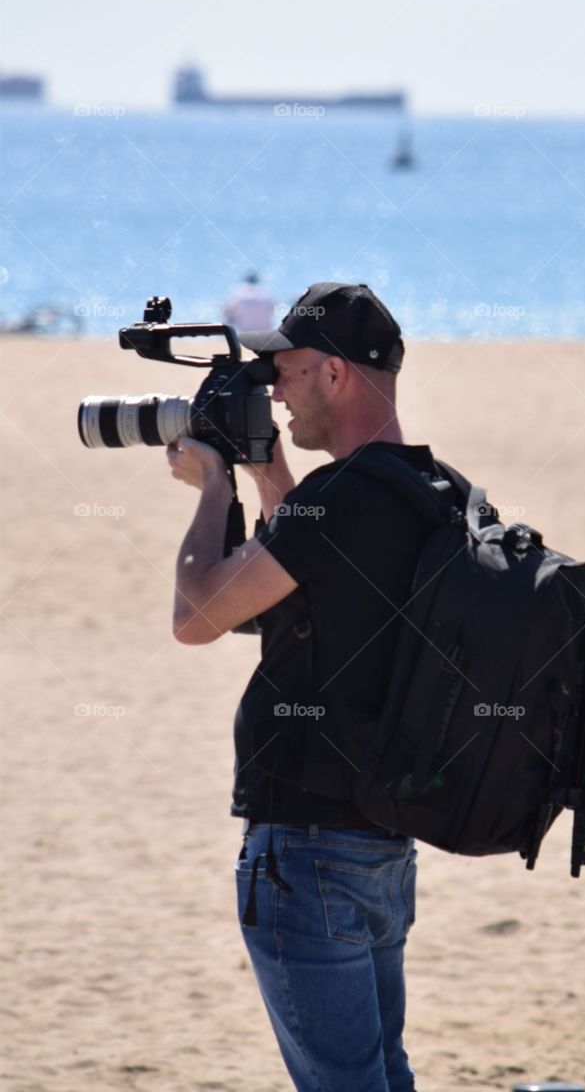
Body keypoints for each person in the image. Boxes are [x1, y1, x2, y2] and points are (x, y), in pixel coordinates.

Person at [166, 282, 443, 1092]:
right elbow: (320, 580)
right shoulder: (431, 492)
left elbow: (200, 616)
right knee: (380, 1073)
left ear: (334, 375)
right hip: (382, 844)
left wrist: (212, 487)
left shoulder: (340, 501)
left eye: (284, 374)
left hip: (306, 850)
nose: (274, 394)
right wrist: (267, 474)